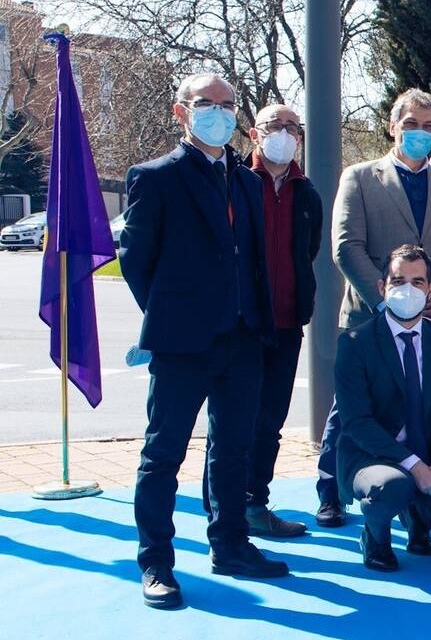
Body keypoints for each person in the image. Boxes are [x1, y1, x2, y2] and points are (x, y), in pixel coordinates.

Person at [122, 73, 286, 609]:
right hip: (182, 344)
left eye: (227, 104)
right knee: (162, 454)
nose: (218, 112)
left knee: (233, 449)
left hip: (243, 341)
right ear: (181, 111)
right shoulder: (155, 177)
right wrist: (172, 315)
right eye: (205, 103)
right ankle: (156, 562)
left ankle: (231, 545)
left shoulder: (246, 181)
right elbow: (136, 261)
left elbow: (253, 260)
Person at [318, 88, 431, 528]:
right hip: (371, 316)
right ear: (392, 127)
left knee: (420, 406)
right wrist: (389, 302)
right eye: (410, 124)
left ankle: (415, 501)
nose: (419, 133)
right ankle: (332, 490)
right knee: (349, 412)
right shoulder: (360, 177)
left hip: (428, 316)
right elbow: (347, 246)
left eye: (428, 126)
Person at [334, 245, 431, 572]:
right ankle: (375, 535)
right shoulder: (355, 343)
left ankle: (417, 515)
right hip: (371, 456)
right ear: (382, 287)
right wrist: (415, 466)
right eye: (398, 281)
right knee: (393, 486)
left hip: (428, 452)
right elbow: (357, 422)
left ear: (430, 290)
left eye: (417, 282)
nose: (408, 290)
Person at [235, 104, 323, 538]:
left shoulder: (307, 193)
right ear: (255, 133)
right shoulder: (234, 181)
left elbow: (309, 251)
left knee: (270, 421)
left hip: (287, 324)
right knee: (234, 420)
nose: (284, 134)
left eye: (292, 127)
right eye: (275, 125)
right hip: (240, 325)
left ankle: (255, 503)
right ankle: (225, 507)